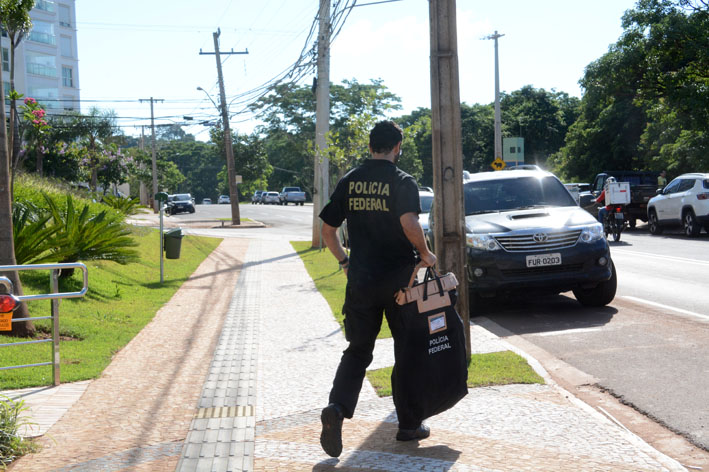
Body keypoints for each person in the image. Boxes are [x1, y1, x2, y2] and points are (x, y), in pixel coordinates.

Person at [318, 120, 437, 458]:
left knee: (357, 351)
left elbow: (328, 230)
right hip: (400, 281)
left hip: (361, 281)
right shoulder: (402, 181)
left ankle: (337, 409)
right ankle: (409, 425)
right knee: (408, 349)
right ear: (397, 147)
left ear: (370, 145)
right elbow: (408, 222)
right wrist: (426, 254)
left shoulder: (350, 181)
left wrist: (345, 263)